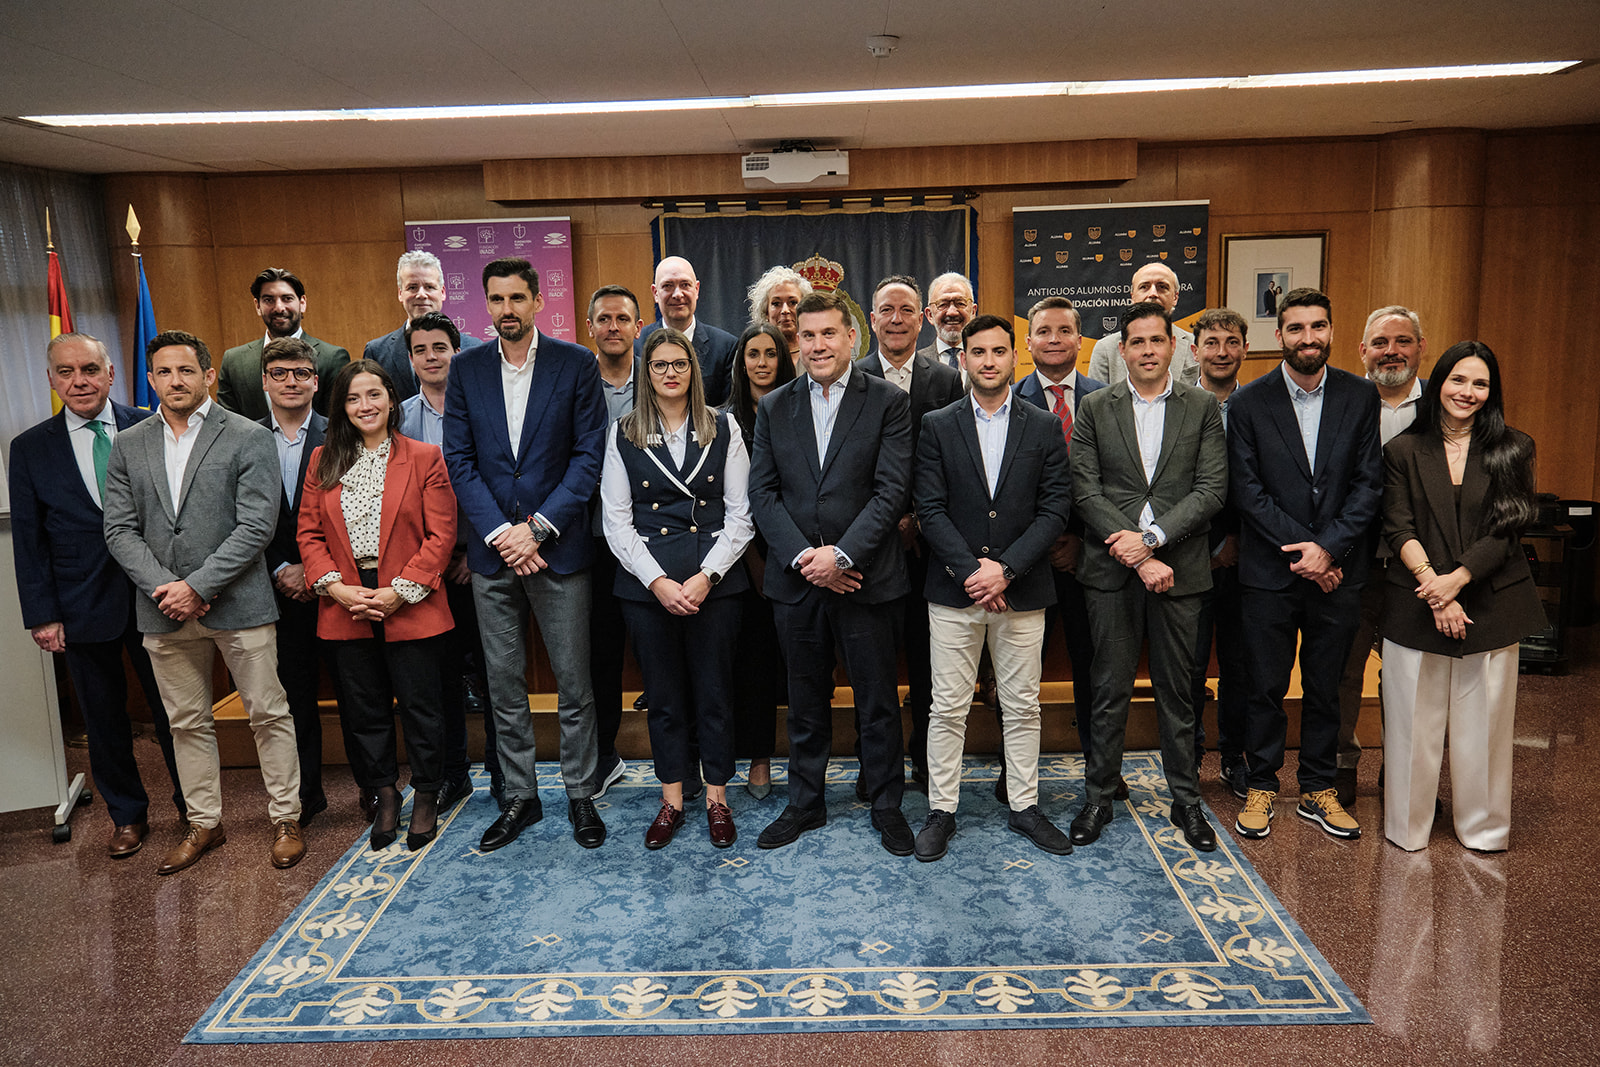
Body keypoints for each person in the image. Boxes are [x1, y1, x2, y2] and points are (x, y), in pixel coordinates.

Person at [103, 330, 304, 874]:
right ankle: (204, 823)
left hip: (239, 603)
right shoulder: (128, 444)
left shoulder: (247, 436)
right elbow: (119, 529)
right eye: (165, 372)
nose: (176, 380)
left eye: (187, 370)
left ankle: (286, 818)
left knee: (268, 714)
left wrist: (198, 586)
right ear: (151, 380)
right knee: (186, 722)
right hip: (162, 609)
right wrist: (166, 588)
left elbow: (257, 525)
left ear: (209, 376)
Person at [443, 257, 608, 853]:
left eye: (517, 298)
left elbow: (589, 455)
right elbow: (459, 459)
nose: (506, 309)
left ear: (538, 301)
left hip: (558, 549)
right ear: (485, 305)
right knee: (503, 684)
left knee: (575, 683)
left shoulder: (576, 363)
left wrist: (536, 529)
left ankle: (581, 792)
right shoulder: (466, 369)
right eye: (496, 299)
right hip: (494, 556)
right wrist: (500, 534)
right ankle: (520, 796)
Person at [748, 289, 914, 855]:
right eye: (807, 335)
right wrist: (806, 559)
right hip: (797, 584)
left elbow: (892, 492)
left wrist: (840, 556)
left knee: (877, 703)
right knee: (805, 701)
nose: (817, 345)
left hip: (867, 580)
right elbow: (762, 494)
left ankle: (887, 805)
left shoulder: (888, 401)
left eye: (827, 334)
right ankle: (805, 802)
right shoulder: (775, 407)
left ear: (851, 337)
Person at [9, 332, 185, 859]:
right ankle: (127, 816)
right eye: (66, 372)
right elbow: (29, 539)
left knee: (175, 712)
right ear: (51, 379)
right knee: (104, 720)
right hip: (80, 601)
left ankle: (194, 809)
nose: (79, 381)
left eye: (89, 369)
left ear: (110, 374)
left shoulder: (152, 425)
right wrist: (42, 614)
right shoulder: (30, 448)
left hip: (157, 593)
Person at [912, 314, 1073, 861]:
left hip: (1022, 590)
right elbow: (929, 508)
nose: (988, 361)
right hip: (954, 590)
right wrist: (972, 572)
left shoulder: (1043, 425)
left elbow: (1055, 509)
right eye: (977, 352)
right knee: (947, 708)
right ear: (963, 359)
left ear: (1013, 357)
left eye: (998, 351)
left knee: (1023, 705)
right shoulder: (937, 425)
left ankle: (1025, 806)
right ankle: (942, 810)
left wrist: (1005, 570)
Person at [1067, 302, 1226, 853]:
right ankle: (1098, 796)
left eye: (1157, 340)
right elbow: (1085, 490)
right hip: (1111, 570)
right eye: (1137, 342)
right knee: (1107, 689)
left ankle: (1186, 801)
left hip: (1181, 570)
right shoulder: (1094, 406)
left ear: (1173, 347)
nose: (1149, 350)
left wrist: (1152, 540)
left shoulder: (1201, 406)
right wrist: (1136, 555)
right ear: (1122, 350)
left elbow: (1211, 489)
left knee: (1178, 692)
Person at [1227, 288, 1382, 841]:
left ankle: (1318, 788)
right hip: (1270, 574)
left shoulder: (1360, 396)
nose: (1308, 338)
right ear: (1279, 336)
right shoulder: (1249, 402)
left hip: (1338, 572)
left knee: (1326, 686)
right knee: (1264, 686)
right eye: (1296, 328)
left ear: (1332, 332)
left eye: (1318, 326)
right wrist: (1309, 551)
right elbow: (1247, 492)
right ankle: (1262, 784)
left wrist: (1329, 550)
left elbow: (1368, 486)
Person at [1379, 341, 1543, 852]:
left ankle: (1484, 829)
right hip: (1416, 598)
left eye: (1480, 384)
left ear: (1492, 392)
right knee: (1412, 726)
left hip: (1491, 600)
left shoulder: (1514, 447)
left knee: (1485, 728)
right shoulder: (1402, 449)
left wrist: (1457, 581)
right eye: (1458, 380)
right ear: (1439, 383)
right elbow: (1397, 526)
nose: (1467, 392)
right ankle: (1408, 827)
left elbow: (1509, 526)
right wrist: (1436, 587)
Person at [601, 328, 753, 848]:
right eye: (660, 365)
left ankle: (716, 799)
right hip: (648, 589)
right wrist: (658, 582)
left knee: (715, 695)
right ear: (646, 373)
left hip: (716, 584)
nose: (670, 373)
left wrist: (707, 576)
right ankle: (670, 801)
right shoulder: (623, 432)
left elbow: (741, 515)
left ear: (694, 370)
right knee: (665, 699)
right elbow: (616, 521)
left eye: (680, 364)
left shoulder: (724, 426)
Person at [299, 360, 456, 852]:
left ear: (391, 399)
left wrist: (400, 591)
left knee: (421, 707)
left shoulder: (425, 457)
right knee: (364, 710)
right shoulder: (323, 460)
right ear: (340, 408)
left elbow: (441, 534)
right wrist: (336, 588)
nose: (364, 406)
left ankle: (426, 793)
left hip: (409, 598)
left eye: (373, 395)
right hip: (346, 600)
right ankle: (385, 795)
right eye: (352, 398)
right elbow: (308, 533)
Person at [857, 275, 964, 790]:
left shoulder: (945, 380)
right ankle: (874, 764)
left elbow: (950, 461)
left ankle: (924, 758)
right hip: (868, 545)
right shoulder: (853, 376)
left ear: (922, 319)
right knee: (872, 663)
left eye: (906, 310)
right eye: (886, 310)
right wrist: (882, 523)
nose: (896, 319)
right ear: (871, 319)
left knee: (927, 659)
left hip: (927, 545)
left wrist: (918, 518)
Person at [1012, 296, 1112, 793]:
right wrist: (1043, 543)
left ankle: (1100, 769)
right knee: (1018, 676)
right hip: (1027, 562)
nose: (1054, 340)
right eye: (1044, 332)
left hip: (1090, 560)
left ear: (1080, 339)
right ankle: (1016, 772)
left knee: (1093, 668)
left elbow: (1117, 484)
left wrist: (1083, 542)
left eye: (1064, 331)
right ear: (1028, 342)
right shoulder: (1009, 400)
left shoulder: (1106, 400)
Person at [1333, 305, 1430, 805]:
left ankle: (1403, 772)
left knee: (1411, 677)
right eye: (1380, 343)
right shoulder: (1344, 403)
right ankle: (1341, 766)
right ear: (1362, 351)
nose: (1391, 352)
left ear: (1421, 348)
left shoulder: (1441, 405)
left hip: (1419, 571)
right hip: (1355, 563)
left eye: (1402, 341)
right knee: (1344, 671)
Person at [399, 311, 496, 811]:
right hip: (423, 572)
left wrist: (473, 550)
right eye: (420, 350)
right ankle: (453, 773)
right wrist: (431, 562)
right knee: (441, 679)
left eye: (439, 347)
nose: (431, 357)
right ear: (410, 359)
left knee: (494, 673)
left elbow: (495, 480)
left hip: (482, 558)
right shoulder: (398, 419)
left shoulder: (483, 405)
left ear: (457, 352)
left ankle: (502, 772)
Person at [257, 337, 332, 826]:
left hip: (335, 585)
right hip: (273, 588)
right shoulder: (243, 437)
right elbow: (238, 516)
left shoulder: (339, 433)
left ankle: (373, 790)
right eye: (280, 373)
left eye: (301, 373)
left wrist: (313, 567)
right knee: (293, 695)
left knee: (356, 692)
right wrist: (280, 566)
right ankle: (307, 794)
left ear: (315, 381)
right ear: (265, 381)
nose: (291, 382)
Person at [724, 323, 797, 798]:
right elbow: (730, 501)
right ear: (741, 361)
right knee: (753, 663)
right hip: (741, 557)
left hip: (797, 552)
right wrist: (752, 561)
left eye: (771, 354)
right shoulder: (723, 419)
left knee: (800, 662)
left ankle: (806, 760)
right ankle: (759, 757)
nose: (763, 362)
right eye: (753, 354)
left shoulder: (798, 410)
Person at [585, 285, 646, 800]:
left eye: (622, 319)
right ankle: (604, 754)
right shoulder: (573, 382)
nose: (613, 327)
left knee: (661, 651)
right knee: (600, 653)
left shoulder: (659, 376)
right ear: (590, 329)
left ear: (638, 327)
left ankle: (683, 757)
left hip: (654, 538)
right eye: (603, 319)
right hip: (592, 539)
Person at [1187, 309, 1250, 798]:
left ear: (1245, 349)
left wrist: (1234, 542)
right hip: (1188, 555)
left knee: (1240, 666)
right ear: (1195, 351)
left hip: (1248, 557)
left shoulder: (1259, 405)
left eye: (1231, 342)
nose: (1222, 352)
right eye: (1212, 342)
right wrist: (1205, 545)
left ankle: (1234, 757)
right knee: (1187, 667)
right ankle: (1187, 758)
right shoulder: (1179, 405)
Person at [217, 268, 350, 419]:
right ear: (257, 306)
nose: (279, 308)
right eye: (269, 300)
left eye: (287, 298)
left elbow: (338, 421)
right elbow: (228, 423)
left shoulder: (333, 358)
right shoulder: (234, 361)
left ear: (302, 303)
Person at [636, 256, 739, 407]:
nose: (678, 294)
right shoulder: (637, 345)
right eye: (668, 286)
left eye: (685, 285)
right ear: (655, 293)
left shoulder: (726, 347)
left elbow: (729, 408)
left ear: (696, 289)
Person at [1087, 263, 1199, 388]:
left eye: (1162, 287)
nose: (1153, 293)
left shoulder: (1195, 344)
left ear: (1175, 297)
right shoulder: (1105, 349)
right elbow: (1097, 398)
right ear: (1133, 297)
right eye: (1144, 287)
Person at [362, 250, 448, 401]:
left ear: (442, 292)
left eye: (429, 287)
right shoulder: (376, 352)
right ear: (400, 293)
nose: (421, 294)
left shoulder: (472, 348)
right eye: (412, 287)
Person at [746, 265, 812, 357]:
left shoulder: (819, 352)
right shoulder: (751, 355)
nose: (785, 310)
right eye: (776, 304)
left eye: (793, 302)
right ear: (766, 312)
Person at [919, 272, 976, 372]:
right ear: (930, 315)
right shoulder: (916, 364)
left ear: (973, 312)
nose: (952, 312)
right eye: (943, 304)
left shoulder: (988, 361)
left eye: (960, 303)